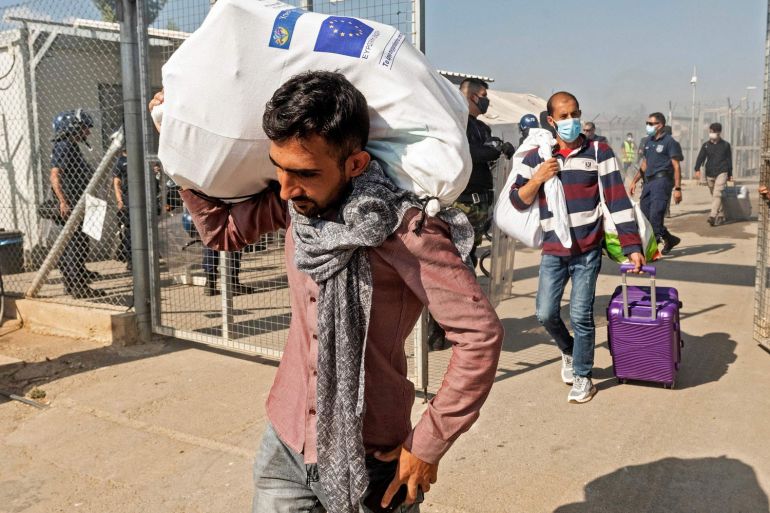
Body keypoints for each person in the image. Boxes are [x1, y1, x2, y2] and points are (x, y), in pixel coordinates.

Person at [149, 71, 503, 513]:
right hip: (286, 441)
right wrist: (177, 141)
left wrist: (430, 441)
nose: (285, 188)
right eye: (278, 169)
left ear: (354, 164)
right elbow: (221, 230)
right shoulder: (295, 204)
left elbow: (480, 334)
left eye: (303, 173)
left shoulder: (404, 228)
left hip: (373, 456)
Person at [509, 91, 644, 404]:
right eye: (564, 116)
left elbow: (617, 199)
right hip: (553, 251)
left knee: (582, 314)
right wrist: (538, 178)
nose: (571, 121)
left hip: (587, 249)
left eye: (575, 114)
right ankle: (569, 351)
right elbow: (518, 200)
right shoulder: (538, 156)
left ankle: (583, 377)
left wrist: (631, 244)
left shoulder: (599, 152)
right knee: (544, 313)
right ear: (552, 120)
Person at [454, 77, 514, 267]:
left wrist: (500, 148)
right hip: (463, 202)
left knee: (471, 252)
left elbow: (490, 151)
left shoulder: (482, 127)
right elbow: (467, 152)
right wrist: (493, 150)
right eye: (484, 96)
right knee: (459, 254)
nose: (487, 101)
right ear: (473, 97)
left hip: (481, 202)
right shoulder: (456, 123)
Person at [49, 109, 105, 299]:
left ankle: (72, 284)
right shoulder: (64, 146)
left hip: (76, 201)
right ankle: (78, 287)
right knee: (76, 244)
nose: (87, 132)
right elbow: (55, 175)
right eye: (84, 128)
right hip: (71, 203)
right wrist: (63, 202)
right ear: (72, 127)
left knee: (73, 243)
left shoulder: (69, 145)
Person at [629, 113, 682, 254]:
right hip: (648, 183)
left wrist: (678, 188)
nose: (648, 126)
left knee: (655, 216)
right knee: (644, 218)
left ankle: (651, 248)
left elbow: (676, 166)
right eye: (647, 123)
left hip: (662, 182)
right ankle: (670, 239)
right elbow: (645, 163)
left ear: (660, 125)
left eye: (651, 124)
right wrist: (634, 181)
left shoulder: (670, 142)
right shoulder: (648, 142)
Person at [695, 122, 733, 226]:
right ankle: (721, 214)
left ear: (719, 132)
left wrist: (730, 173)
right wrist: (697, 169)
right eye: (710, 132)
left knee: (717, 194)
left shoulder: (725, 145)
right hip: (710, 173)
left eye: (713, 132)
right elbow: (701, 157)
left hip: (722, 171)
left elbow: (729, 159)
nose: (711, 133)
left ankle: (712, 216)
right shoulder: (706, 145)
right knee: (714, 194)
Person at [112, 148, 131, 271]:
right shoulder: (121, 161)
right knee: (129, 231)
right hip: (127, 199)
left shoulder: (141, 157)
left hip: (142, 198)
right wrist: (119, 200)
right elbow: (117, 182)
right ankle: (131, 259)